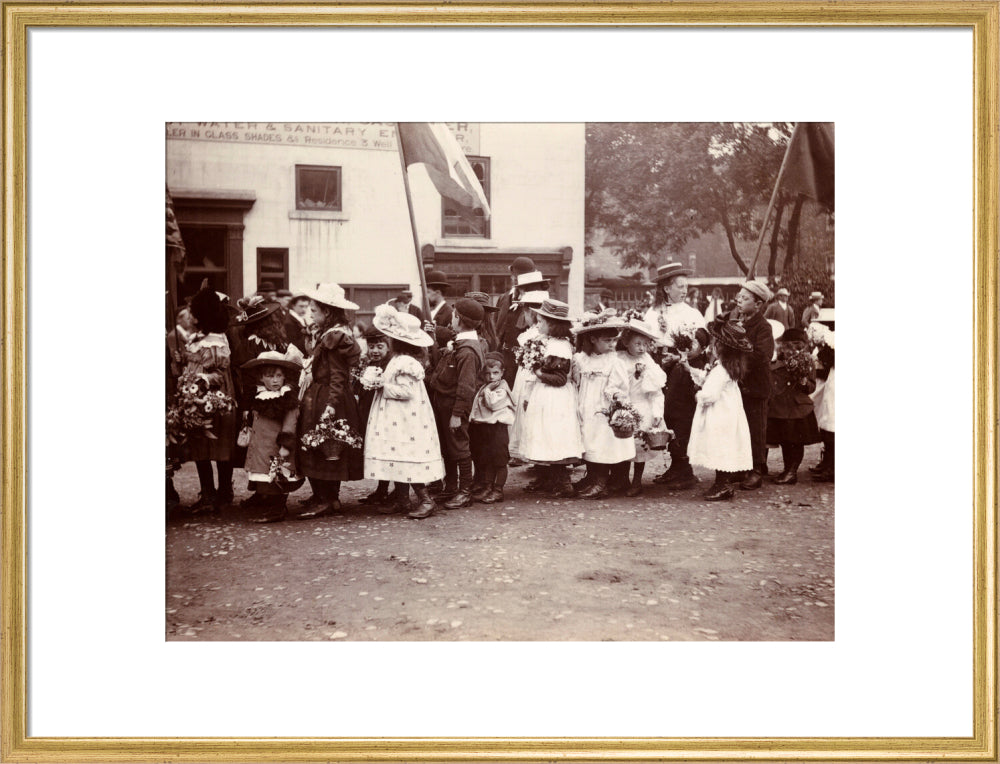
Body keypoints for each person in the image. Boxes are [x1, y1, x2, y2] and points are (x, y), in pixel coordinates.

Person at [363, 304, 442, 520]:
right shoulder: (398, 360)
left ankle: (426, 500)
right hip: (396, 415)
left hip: (406, 416)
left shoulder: (405, 362)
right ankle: (401, 499)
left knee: (405, 453)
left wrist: (381, 385)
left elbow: (406, 391)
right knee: (396, 454)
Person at [296, 283, 365, 518]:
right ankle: (323, 496)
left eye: (314, 310)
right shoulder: (330, 333)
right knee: (318, 443)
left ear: (327, 312)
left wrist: (330, 406)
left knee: (326, 442)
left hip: (327, 396)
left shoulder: (335, 337)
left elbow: (338, 376)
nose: (310, 314)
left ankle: (327, 498)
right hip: (321, 392)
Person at [183, 282, 239, 513]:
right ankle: (209, 492)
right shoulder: (199, 339)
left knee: (218, 444)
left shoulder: (216, 340)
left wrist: (203, 379)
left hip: (214, 398)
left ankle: (223, 492)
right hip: (196, 397)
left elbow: (219, 372)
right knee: (201, 444)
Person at [518, 299, 583, 497]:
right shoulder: (551, 343)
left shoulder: (559, 347)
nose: (538, 325)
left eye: (541, 321)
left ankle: (563, 483)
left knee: (554, 436)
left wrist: (537, 371)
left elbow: (559, 379)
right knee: (546, 435)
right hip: (546, 395)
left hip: (555, 398)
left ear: (553, 325)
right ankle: (548, 478)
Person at [427, 298, 486, 509]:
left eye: (453, 316)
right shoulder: (461, 344)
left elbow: (466, 387)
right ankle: (451, 487)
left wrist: (457, 414)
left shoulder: (468, 351)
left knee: (459, 447)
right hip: (444, 403)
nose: (451, 319)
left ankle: (465, 491)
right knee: (447, 447)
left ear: (458, 318)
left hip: (453, 405)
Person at [687, 318, 754, 501]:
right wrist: (691, 371)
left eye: (714, 344)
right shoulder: (726, 367)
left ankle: (723, 485)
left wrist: (698, 396)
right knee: (723, 447)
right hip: (728, 413)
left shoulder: (720, 370)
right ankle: (723, 483)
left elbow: (710, 395)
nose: (711, 348)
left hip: (719, 415)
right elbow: (708, 378)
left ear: (721, 348)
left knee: (719, 447)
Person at [571, 310, 635, 499]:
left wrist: (614, 396)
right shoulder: (582, 359)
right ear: (592, 339)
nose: (612, 345)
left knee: (603, 441)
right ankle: (592, 477)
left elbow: (620, 386)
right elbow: (576, 380)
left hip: (604, 408)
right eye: (607, 341)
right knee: (588, 439)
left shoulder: (614, 362)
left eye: (614, 341)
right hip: (586, 405)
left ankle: (604, 481)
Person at [239, 348, 306, 523]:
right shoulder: (261, 395)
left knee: (278, 475)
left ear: (284, 376)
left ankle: (278, 509)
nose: (275, 380)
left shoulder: (286, 398)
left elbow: (290, 422)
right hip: (261, 445)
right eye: (270, 376)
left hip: (277, 446)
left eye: (279, 375)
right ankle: (268, 503)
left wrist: (285, 445)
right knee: (265, 475)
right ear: (261, 378)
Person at [730, 280, 776, 489]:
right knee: (741, 428)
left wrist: (739, 351)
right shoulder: (738, 322)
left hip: (756, 387)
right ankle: (743, 467)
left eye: (745, 298)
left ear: (757, 304)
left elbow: (763, 355)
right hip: (740, 386)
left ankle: (757, 470)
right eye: (739, 296)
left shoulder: (763, 327)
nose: (739, 300)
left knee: (756, 429)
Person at [617, 318, 667, 497]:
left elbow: (656, 391)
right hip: (624, 406)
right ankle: (621, 479)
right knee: (623, 444)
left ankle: (637, 481)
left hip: (642, 407)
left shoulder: (648, 361)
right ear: (625, 342)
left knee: (640, 447)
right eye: (637, 343)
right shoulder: (619, 358)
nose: (641, 348)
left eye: (645, 344)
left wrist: (657, 412)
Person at [657, 327, 711, 490]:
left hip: (686, 411)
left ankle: (686, 474)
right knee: (673, 440)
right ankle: (675, 468)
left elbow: (697, 386)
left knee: (682, 441)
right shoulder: (679, 361)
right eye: (688, 342)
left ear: (703, 349)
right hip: (673, 407)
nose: (689, 347)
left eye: (695, 344)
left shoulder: (699, 366)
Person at [766, 328, 821, 484]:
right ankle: (787, 470)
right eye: (787, 345)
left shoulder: (807, 360)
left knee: (795, 441)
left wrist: (802, 379)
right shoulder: (777, 360)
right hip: (780, 407)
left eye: (795, 346)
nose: (790, 349)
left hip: (797, 409)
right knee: (785, 441)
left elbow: (811, 387)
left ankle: (792, 472)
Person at [354, 323, 395, 509]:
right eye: (371, 347)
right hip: (367, 409)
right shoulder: (369, 363)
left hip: (383, 412)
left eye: (380, 346)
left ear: (388, 346)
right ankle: (381, 489)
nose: (375, 351)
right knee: (376, 450)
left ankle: (391, 490)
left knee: (386, 449)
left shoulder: (390, 365)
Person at [469, 352, 516, 504]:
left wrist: (488, 389)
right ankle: (487, 487)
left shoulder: (501, 388)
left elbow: (493, 404)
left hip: (498, 428)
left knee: (499, 461)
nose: (491, 376)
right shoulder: (487, 386)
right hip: (486, 427)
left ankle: (498, 490)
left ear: (502, 372)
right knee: (488, 459)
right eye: (488, 373)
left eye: (495, 373)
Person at [507, 289, 548, 461]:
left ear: (531, 312)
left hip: (533, 376)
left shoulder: (538, 333)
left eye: (525, 310)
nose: (524, 314)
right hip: (524, 374)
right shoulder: (530, 331)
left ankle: (537, 459)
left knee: (531, 413)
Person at [497, 261, 550, 386]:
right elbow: (499, 327)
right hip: (505, 355)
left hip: (524, 357)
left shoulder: (537, 302)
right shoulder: (505, 298)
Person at [643, 262, 707, 350]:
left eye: (686, 287)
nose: (685, 291)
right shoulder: (653, 312)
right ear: (666, 289)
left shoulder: (692, 313)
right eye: (680, 287)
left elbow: (702, 341)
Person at [808, 323, 835, 482]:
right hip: (831, 381)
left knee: (833, 423)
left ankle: (832, 467)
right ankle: (827, 462)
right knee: (827, 422)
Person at [423, 269, 454, 347]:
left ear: (437, 293)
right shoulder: (432, 311)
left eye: (428, 292)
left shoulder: (449, 313)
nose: (425, 296)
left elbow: (452, 336)